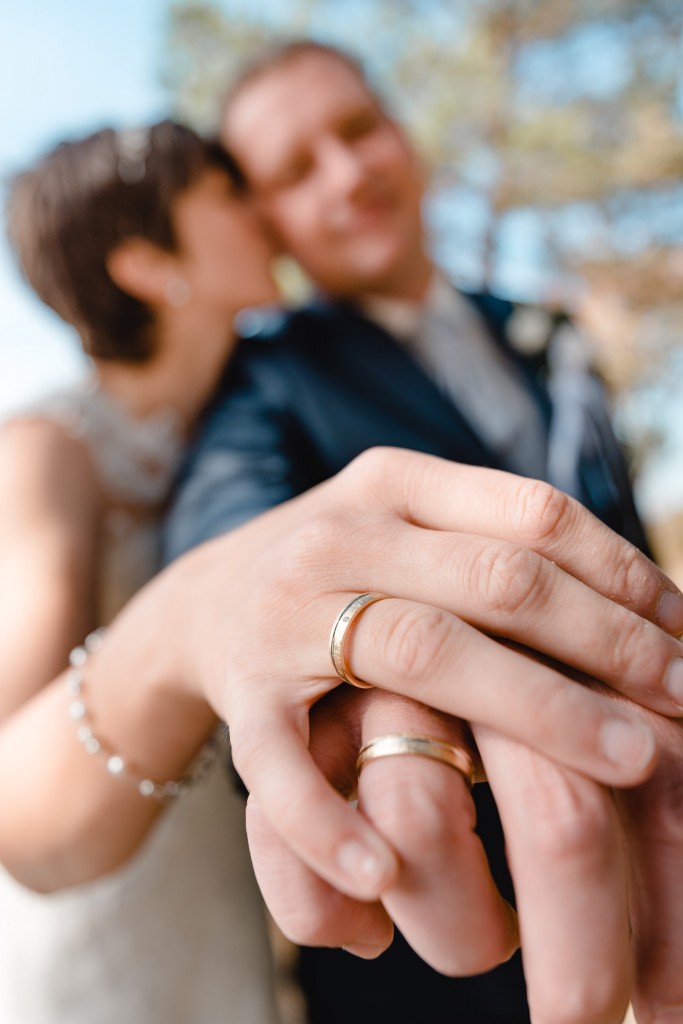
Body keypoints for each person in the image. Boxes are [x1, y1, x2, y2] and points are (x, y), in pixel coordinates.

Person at [163, 39, 660, 1023]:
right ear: (264, 222)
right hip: (429, 940)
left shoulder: (541, 332)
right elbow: (228, 553)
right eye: (297, 170)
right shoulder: (265, 379)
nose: (348, 173)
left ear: (404, 139)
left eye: (357, 131)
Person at [1, 448, 682, 1024]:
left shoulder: (522, 324)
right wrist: (208, 603)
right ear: (149, 279)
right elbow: (238, 501)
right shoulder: (67, 444)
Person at [0, 120, 283, 1023]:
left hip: (221, 883)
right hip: (103, 914)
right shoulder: (51, 451)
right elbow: (16, 751)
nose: (264, 211)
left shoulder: (255, 408)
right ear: (144, 264)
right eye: (227, 196)